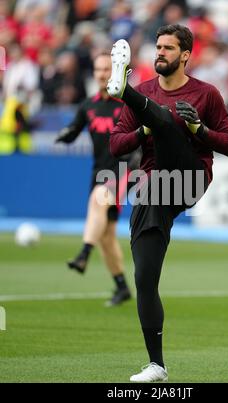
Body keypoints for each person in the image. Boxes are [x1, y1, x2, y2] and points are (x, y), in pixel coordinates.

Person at [108, 24, 228, 382]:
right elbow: (117, 145)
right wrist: (142, 132)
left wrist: (199, 131)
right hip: (155, 188)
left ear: (185, 55)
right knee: (145, 278)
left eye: (168, 48)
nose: (160, 52)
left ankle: (124, 90)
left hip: (189, 178)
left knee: (165, 119)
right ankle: (157, 366)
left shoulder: (206, 94)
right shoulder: (150, 91)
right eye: (158, 46)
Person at [55, 52, 133, 307]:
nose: (102, 74)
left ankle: (83, 254)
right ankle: (122, 287)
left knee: (98, 201)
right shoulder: (88, 106)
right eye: (98, 70)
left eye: (107, 69)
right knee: (107, 235)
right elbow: (74, 131)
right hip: (99, 171)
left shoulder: (128, 103)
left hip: (123, 170)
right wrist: (64, 135)